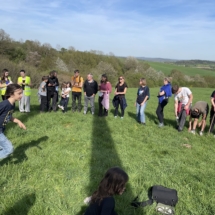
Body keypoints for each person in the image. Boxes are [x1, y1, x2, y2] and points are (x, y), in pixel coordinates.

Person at [0, 84, 26, 160]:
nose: (21, 95)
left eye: (22, 93)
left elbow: (8, 116)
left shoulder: (12, 104)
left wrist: (18, 121)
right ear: (11, 94)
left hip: (2, 130)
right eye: (19, 93)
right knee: (9, 149)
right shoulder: (4, 104)